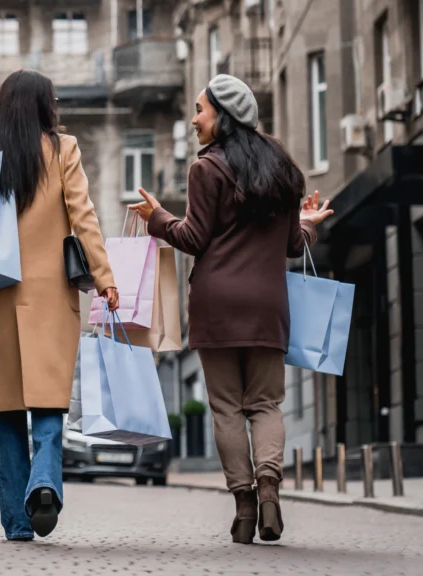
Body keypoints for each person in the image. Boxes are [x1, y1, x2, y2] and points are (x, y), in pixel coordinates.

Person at [129, 74, 333, 544]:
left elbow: (193, 238)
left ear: (223, 114)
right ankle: (268, 493)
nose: (193, 118)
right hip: (267, 304)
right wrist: (308, 223)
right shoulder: (282, 167)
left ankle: (243, 510)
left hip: (217, 304)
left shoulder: (207, 169)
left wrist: (158, 218)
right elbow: (290, 245)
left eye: (200, 109)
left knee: (225, 408)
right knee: (265, 403)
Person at [0, 70, 118, 541]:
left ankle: (16, 522)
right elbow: (83, 217)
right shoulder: (63, 149)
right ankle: (46, 483)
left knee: (9, 408)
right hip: (51, 294)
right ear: (41, 106)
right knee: (49, 400)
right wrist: (105, 278)